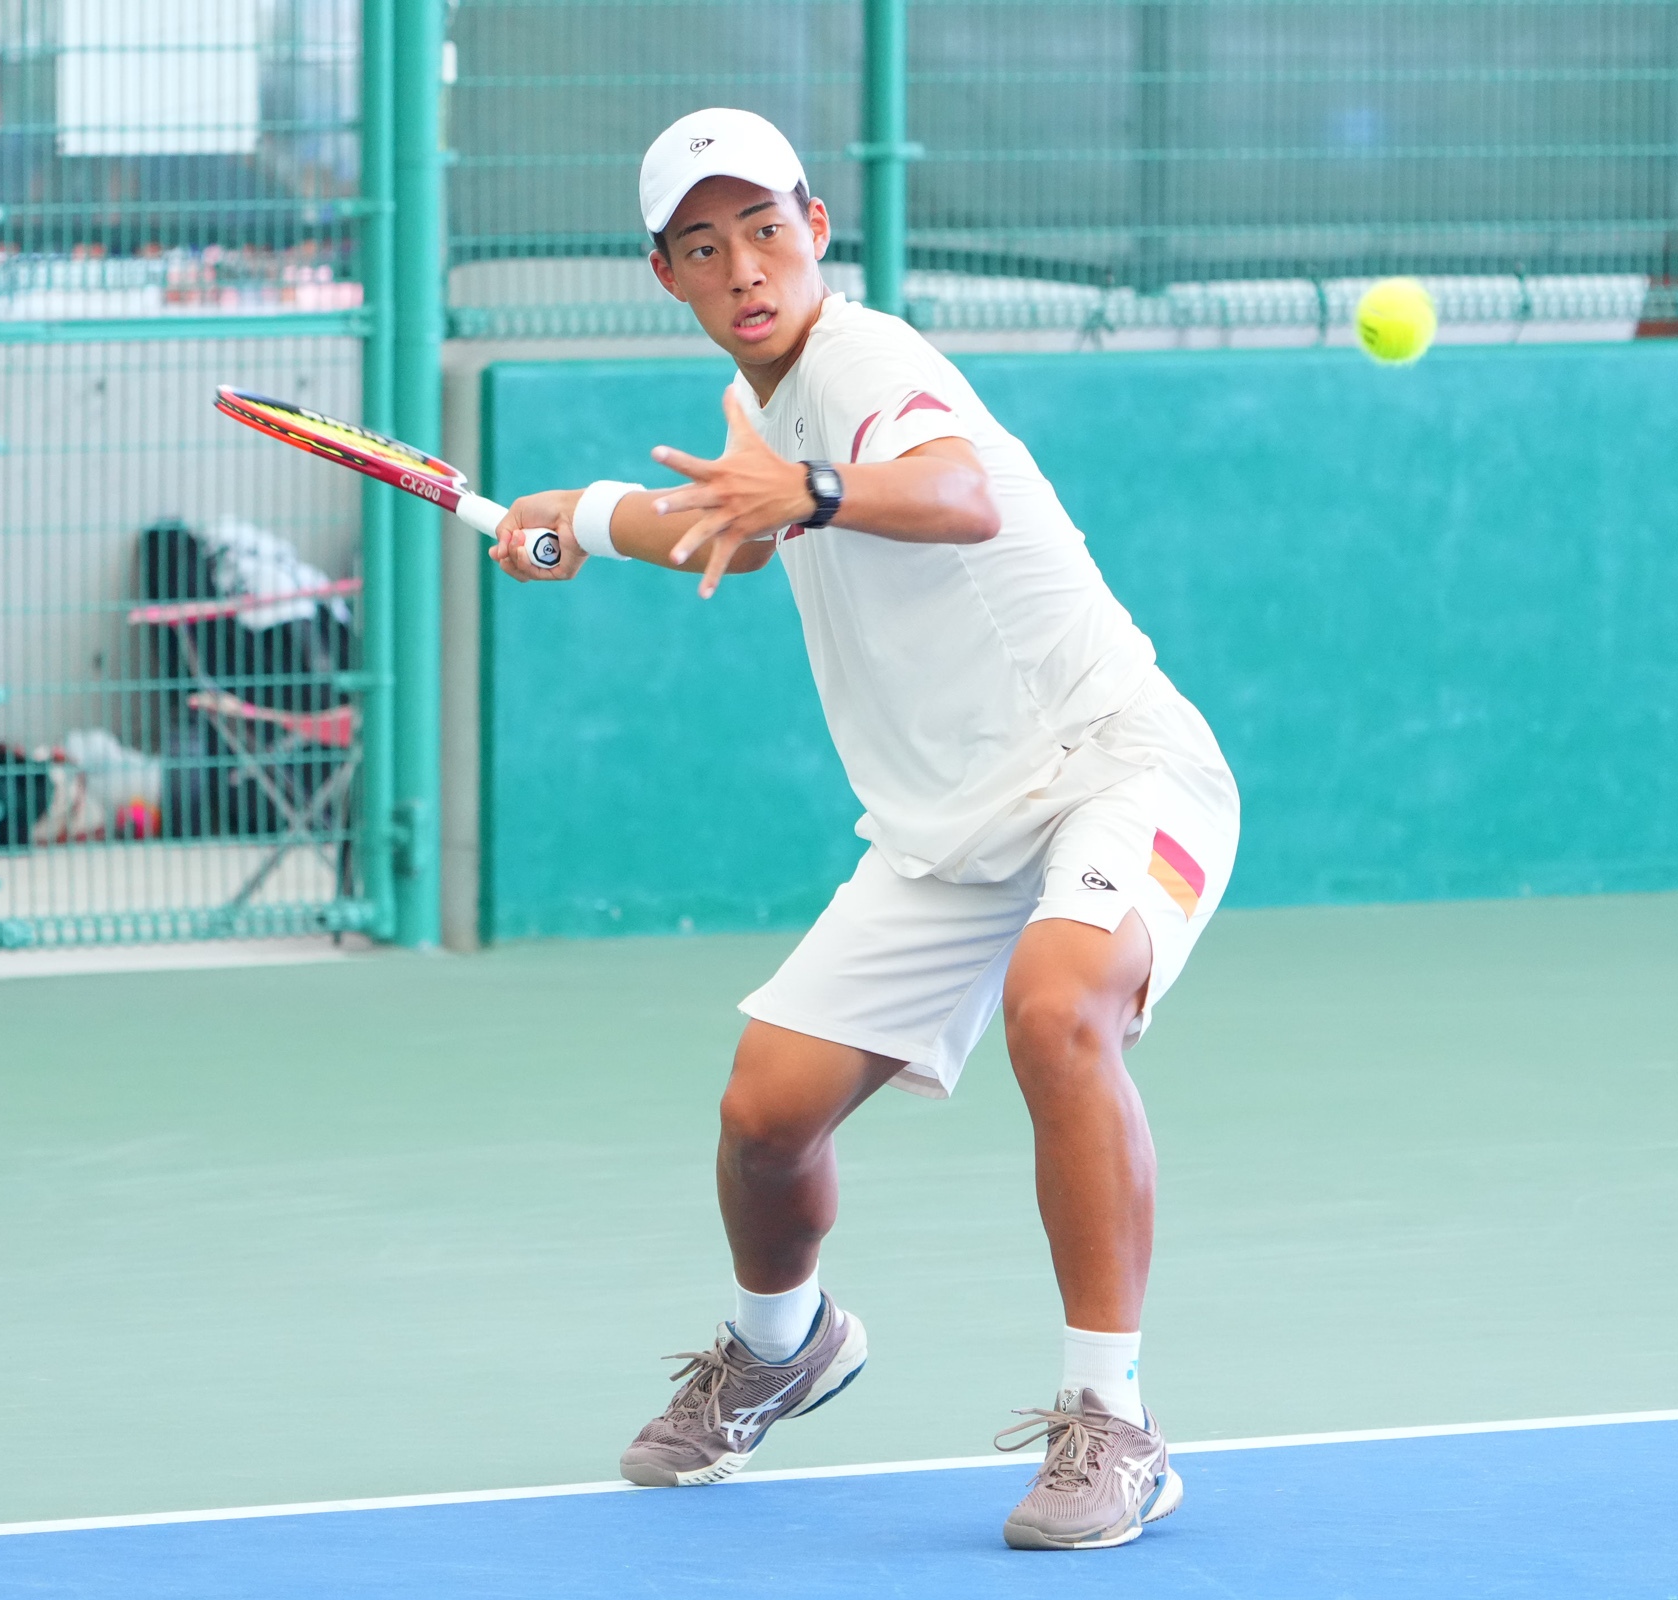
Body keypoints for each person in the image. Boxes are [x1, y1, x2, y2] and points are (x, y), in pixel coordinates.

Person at [489, 108, 1241, 1552]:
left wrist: (811, 489)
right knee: (763, 1121)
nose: (744, 267)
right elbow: (721, 521)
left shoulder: (866, 364)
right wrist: (575, 519)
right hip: (946, 830)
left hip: (1116, 766)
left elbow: (953, 493)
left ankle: (1115, 1422)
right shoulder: (766, 413)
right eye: (704, 247)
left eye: (765, 230)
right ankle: (784, 1345)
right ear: (667, 276)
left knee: (1058, 1009)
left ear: (816, 228)